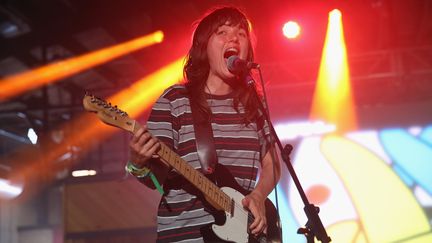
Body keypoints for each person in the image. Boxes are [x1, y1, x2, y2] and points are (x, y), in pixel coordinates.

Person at [127, 6, 280, 242]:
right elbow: (155, 177)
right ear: (204, 47)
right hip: (185, 235)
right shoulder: (175, 100)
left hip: (244, 234)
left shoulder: (253, 104)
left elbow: (273, 165)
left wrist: (258, 196)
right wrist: (138, 163)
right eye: (222, 32)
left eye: (241, 33)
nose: (233, 38)